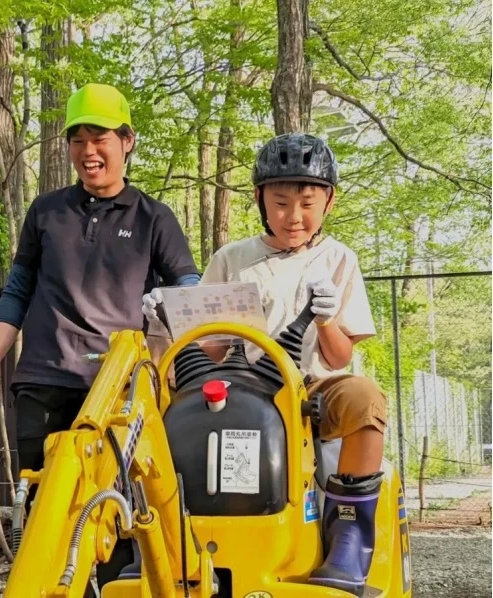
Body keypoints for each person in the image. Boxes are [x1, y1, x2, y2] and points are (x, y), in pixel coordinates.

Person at [0, 82, 200, 590]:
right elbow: (16, 292)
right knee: (41, 515)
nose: (88, 151)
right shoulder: (46, 212)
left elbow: (187, 284)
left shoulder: (154, 218)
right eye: (77, 140)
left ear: (127, 141)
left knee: (110, 518)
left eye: (99, 138)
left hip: (117, 393)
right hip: (43, 380)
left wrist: (186, 311)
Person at [143, 132, 387, 596]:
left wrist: (327, 317)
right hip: (243, 383)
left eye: (307, 203)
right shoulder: (232, 259)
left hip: (313, 386)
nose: (293, 217)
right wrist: (166, 320)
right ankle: (167, 542)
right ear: (259, 199)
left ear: (328, 202)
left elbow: (339, 356)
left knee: (365, 399)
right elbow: (209, 345)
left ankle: (350, 535)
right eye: (280, 203)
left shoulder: (338, 259)